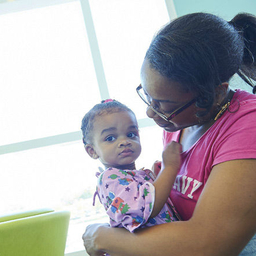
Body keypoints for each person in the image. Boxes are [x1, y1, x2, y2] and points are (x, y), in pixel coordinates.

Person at [82, 12, 256, 256]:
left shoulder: (249, 125)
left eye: (163, 104)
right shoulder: (180, 124)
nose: (151, 113)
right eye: (148, 96)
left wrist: (103, 237)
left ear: (216, 94)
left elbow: (209, 245)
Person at [81, 99, 181, 234]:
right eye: (110, 138)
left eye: (131, 134)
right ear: (92, 151)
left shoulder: (131, 176)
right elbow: (147, 209)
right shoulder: (109, 178)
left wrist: (155, 177)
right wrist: (169, 167)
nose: (124, 141)